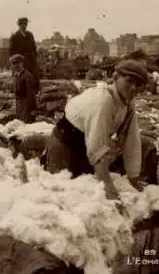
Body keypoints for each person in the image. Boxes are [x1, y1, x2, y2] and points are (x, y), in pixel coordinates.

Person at [43, 59, 148, 200]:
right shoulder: (102, 101)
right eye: (129, 81)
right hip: (64, 146)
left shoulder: (128, 105)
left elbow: (132, 142)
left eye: (139, 84)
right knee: (63, 196)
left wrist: (133, 178)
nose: (134, 88)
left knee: (87, 193)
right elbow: (97, 148)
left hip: (84, 147)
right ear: (115, 78)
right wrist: (107, 185)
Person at [9, 17, 40, 94]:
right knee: (22, 80)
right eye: (22, 24)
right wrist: (16, 61)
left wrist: (35, 57)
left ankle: (35, 94)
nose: (24, 26)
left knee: (35, 77)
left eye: (25, 24)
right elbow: (11, 51)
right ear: (19, 25)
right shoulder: (14, 36)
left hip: (31, 61)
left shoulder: (30, 35)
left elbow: (34, 47)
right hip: (21, 62)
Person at [11, 54, 37, 123]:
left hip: (26, 104)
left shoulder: (27, 75)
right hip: (18, 104)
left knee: (25, 124)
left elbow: (31, 94)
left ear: (22, 63)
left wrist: (32, 109)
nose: (16, 65)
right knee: (19, 123)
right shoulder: (16, 75)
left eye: (18, 63)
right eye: (14, 63)